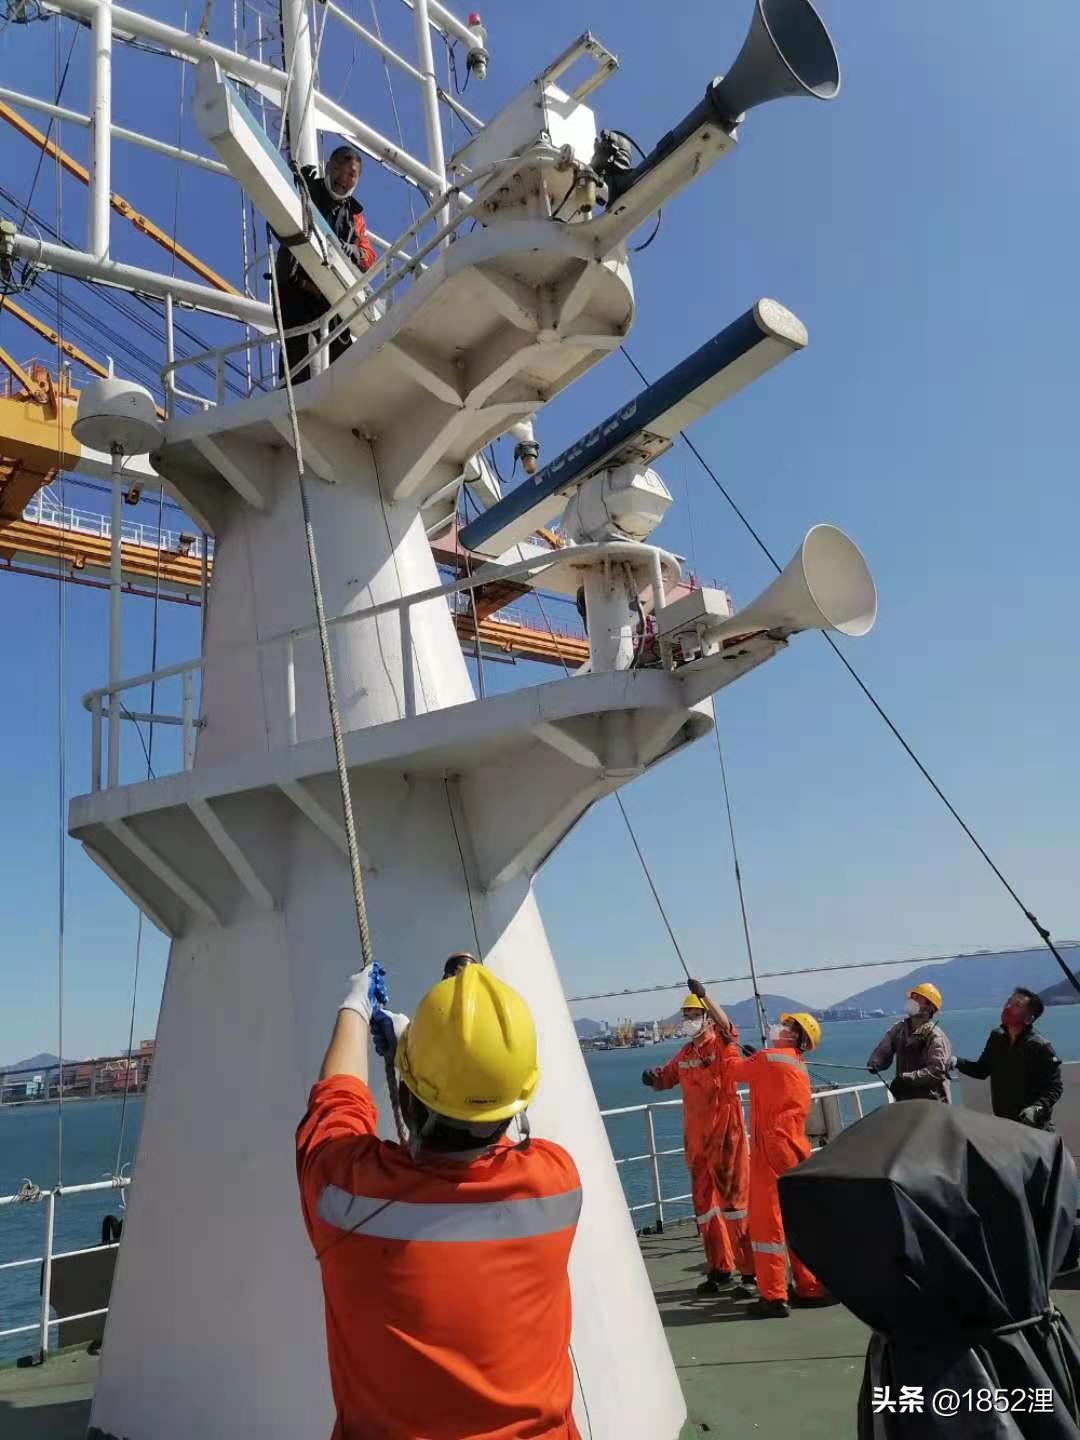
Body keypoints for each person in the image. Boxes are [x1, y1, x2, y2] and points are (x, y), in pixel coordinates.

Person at [296, 961, 583, 1439]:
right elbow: (483, 1141)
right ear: (515, 1108)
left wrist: (356, 1006)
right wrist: (430, 1064)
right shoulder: (558, 1183)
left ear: (408, 1103)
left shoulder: (343, 1198)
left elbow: (337, 1105)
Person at [686, 980, 830, 1319]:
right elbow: (771, 1081)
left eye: (787, 1025)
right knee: (796, 1222)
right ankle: (809, 1287)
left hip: (769, 1151)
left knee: (767, 1225)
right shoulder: (793, 1063)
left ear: (796, 1036)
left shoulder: (770, 1058)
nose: (780, 1027)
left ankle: (774, 1296)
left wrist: (729, 1046)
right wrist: (755, 1058)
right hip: (795, 1148)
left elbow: (732, 1071)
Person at [642, 992, 752, 1295]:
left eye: (694, 1015)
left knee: (735, 1205)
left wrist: (705, 996)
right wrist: (652, 1079)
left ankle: (749, 1274)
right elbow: (666, 1078)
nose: (689, 1021)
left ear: (707, 1019)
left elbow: (728, 1027)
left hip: (725, 1134)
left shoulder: (721, 1045)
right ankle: (721, 1268)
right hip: (696, 1140)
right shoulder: (686, 1053)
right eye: (686, 1016)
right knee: (705, 1207)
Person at [275, 144, 376, 383]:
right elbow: (278, 217)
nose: (343, 177)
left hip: (330, 296)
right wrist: (293, 185)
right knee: (295, 355)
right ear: (328, 167)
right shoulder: (306, 190)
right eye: (339, 168)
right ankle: (291, 396)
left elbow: (369, 256)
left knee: (344, 362)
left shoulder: (354, 216)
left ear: (357, 180)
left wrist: (354, 251)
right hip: (296, 287)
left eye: (351, 174)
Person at [951, 986, 1063, 1129]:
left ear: (1028, 1019)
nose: (1008, 1007)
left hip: (1033, 1127)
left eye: (1017, 1005)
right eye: (1009, 1002)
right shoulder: (996, 1037)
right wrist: (956, 1061)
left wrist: (1036, 1108)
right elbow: (982, 1070)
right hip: (1004, 1124)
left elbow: (1054, 1087)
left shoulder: (1040, 1046)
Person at [866, 982, 951, 1102]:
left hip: (932, 1101)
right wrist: (875, 1062)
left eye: (917, 998)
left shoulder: (935, 1036)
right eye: (912, 997)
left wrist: (905, 1079)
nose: (912, 1000)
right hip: (905, 1100)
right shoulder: (899, 1029)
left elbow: (937, 1069)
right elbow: (884, 1048)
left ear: (929, 1007)